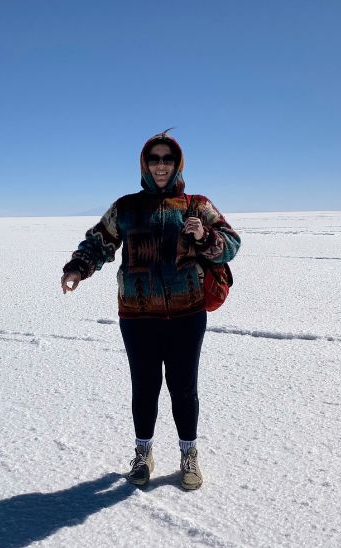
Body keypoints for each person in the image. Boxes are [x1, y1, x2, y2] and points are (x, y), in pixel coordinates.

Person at [60, 130, 240, 490]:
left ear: (177, 165)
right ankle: (143, 455)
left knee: (183, 387)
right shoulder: (126, 207)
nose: (161, 165)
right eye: (154, 159)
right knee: (144, 387)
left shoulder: (196, 205)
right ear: (145, 164)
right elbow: (100, 241)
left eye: (167, 159)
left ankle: (189, 455)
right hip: (137, 315)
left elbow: (231, 245)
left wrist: (205, 236)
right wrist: (78, 267)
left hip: (187, 314)